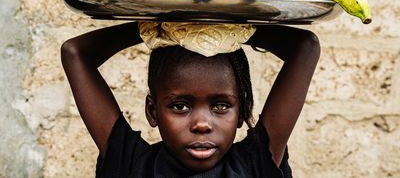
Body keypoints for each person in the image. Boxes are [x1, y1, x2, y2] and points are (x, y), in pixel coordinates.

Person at [61, 22, 320, 178]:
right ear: (152, 111)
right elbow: (74, 53)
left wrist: (233, 26)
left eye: (220, 106)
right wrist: (157, 25)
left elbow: (306, 47)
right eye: (180, 106)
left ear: (242, 112)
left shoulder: (255, 165)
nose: (201, 124)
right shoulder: (130, 164)